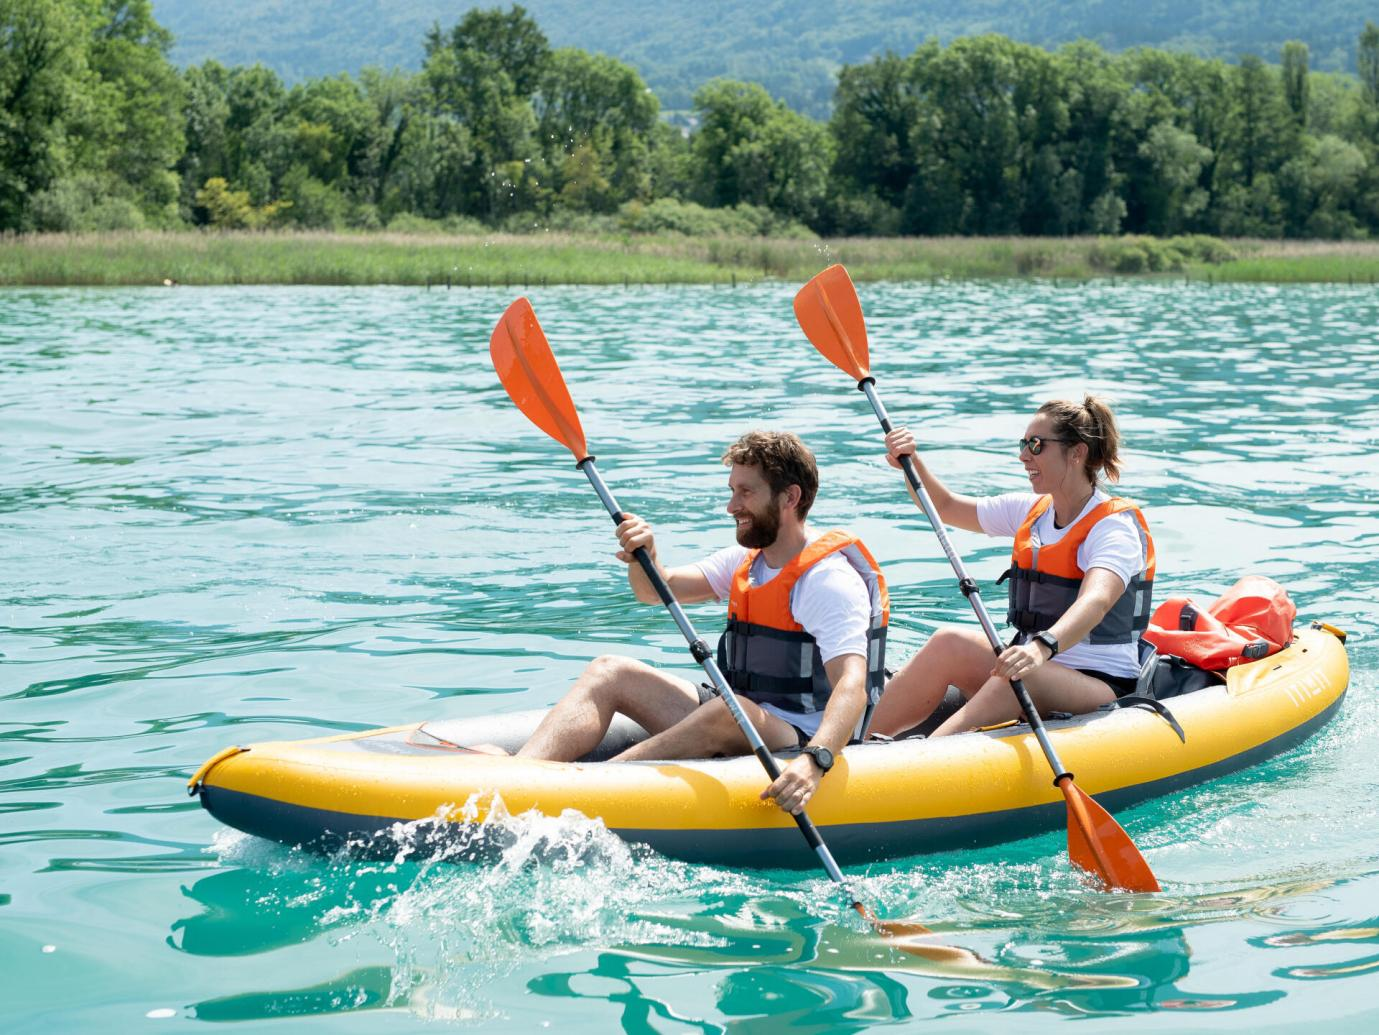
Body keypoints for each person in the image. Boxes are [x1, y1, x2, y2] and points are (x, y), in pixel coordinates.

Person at [514, 430, 888, 816]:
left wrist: (815, 759)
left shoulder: (827, 581)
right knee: (610, 671)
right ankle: (515, 779)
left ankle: (591, 791)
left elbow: (852, 684)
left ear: (790, 498)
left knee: (728, 711)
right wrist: (647, 555)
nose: (731, 506)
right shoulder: (747, 561)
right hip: (743, 713)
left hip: (800, 732)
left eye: (746, 492)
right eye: (732, 491)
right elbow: (658, 590)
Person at [870, 395, 1154, 739]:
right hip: (1034, 665)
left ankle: (923, 758)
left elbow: (1097, 600)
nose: (1024, 456)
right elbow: (944, 506)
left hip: (1099, 686)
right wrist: (911, 463)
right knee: (949, 642)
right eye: (1023, 444)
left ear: (1077, 452)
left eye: (1036, 445)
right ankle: (852, 747)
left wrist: (1040, 648)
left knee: (1018, 674)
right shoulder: (1030, 510)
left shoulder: (1112, 527)